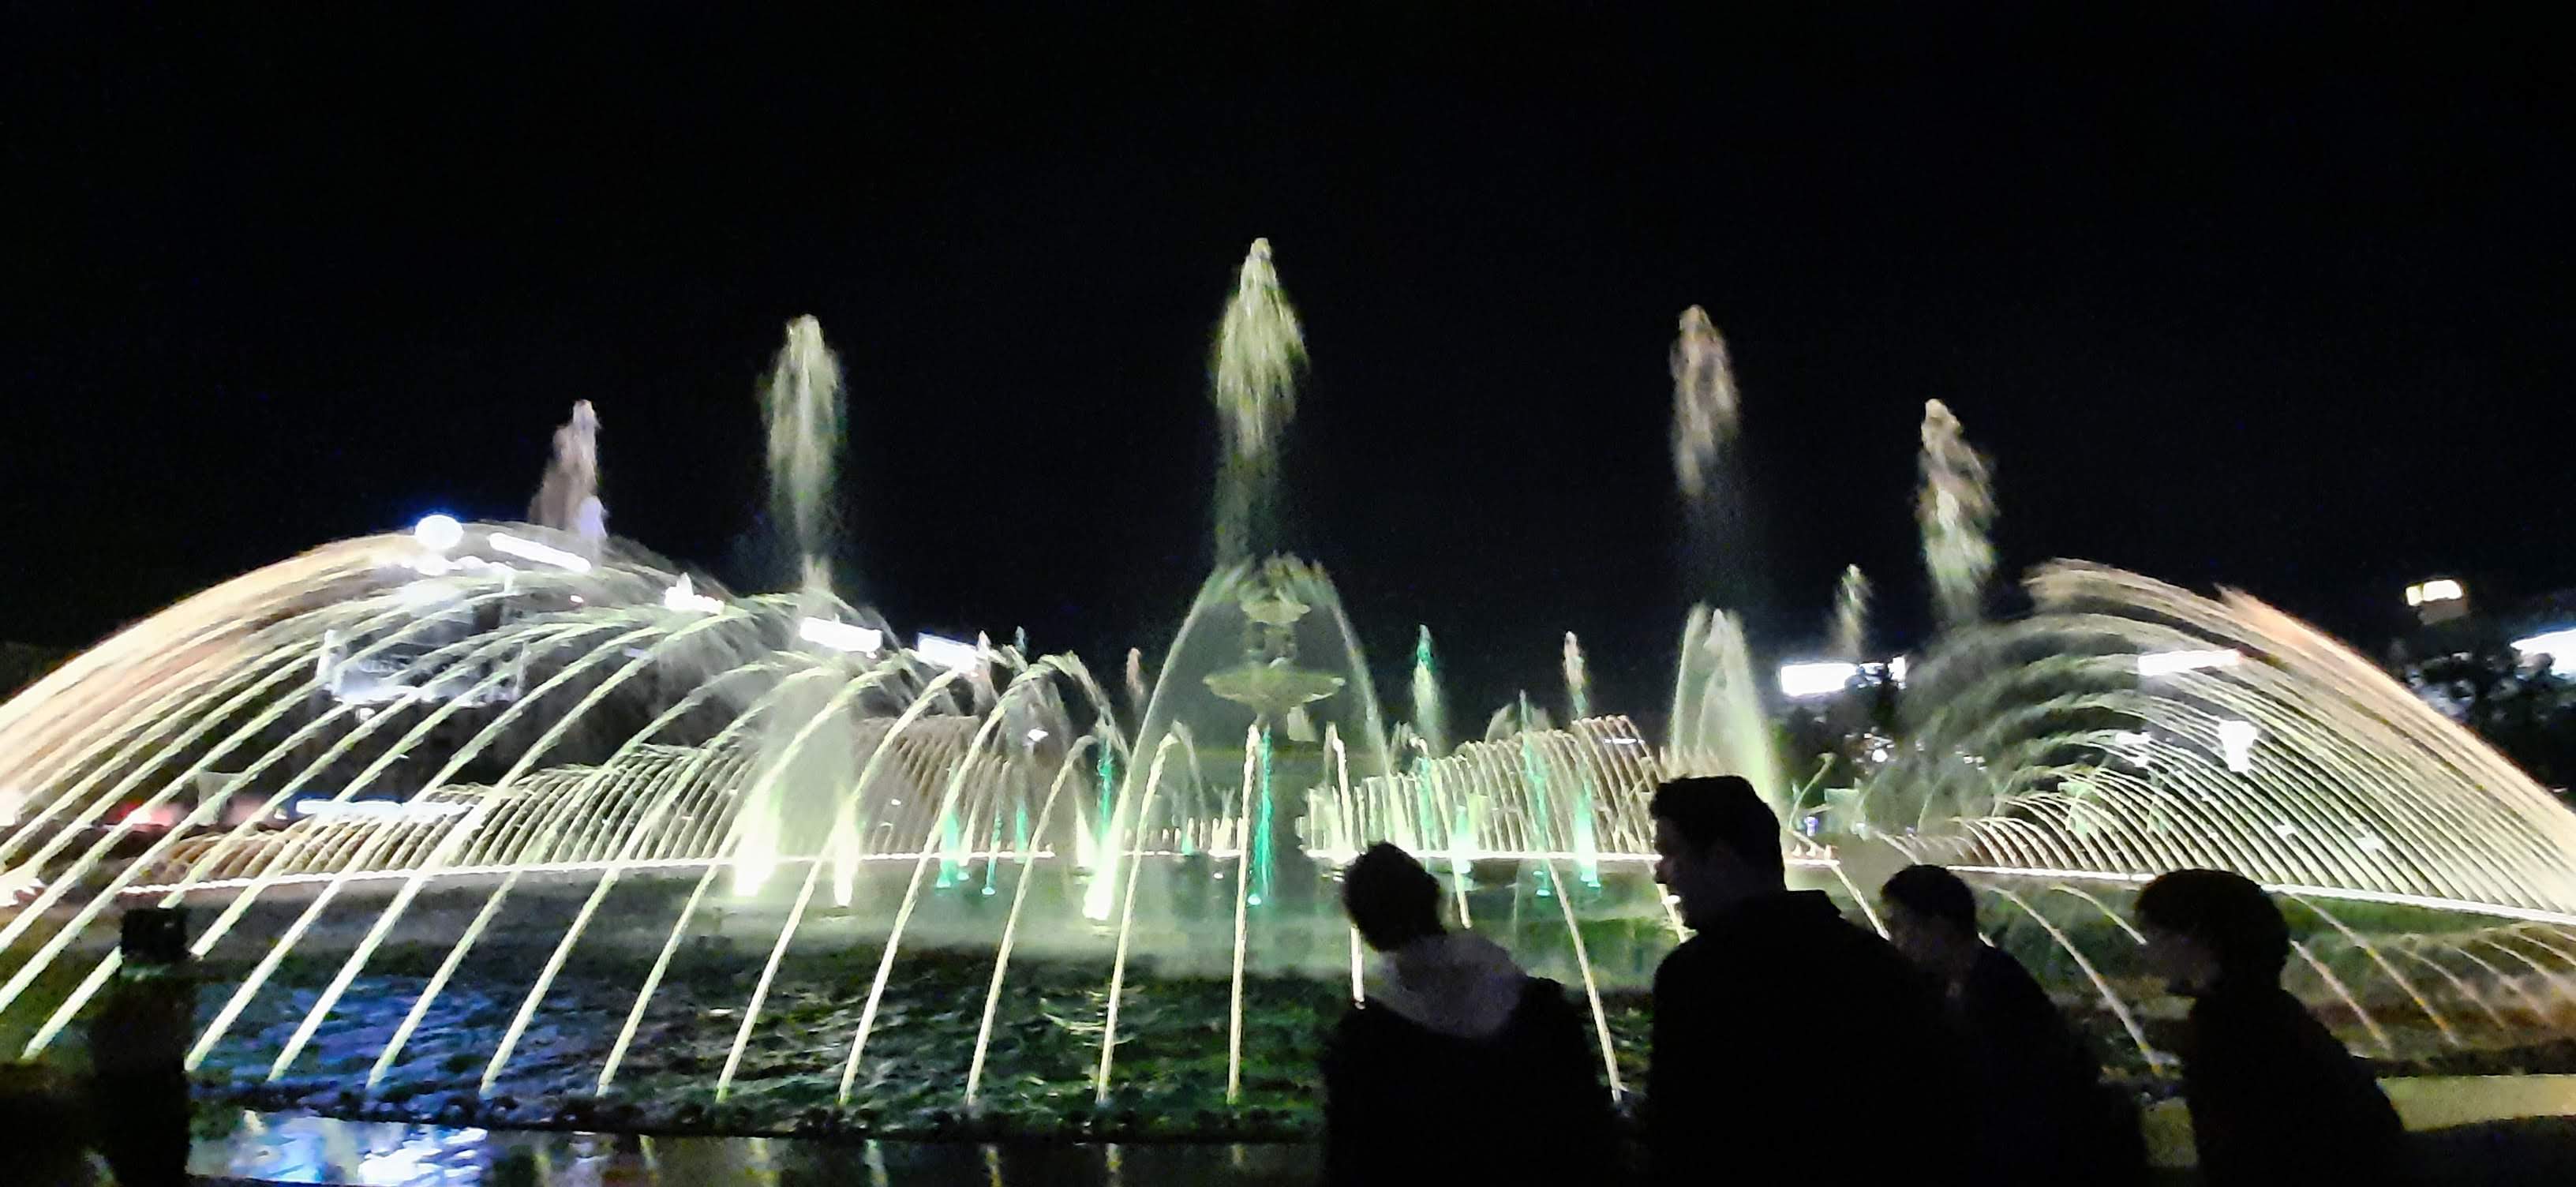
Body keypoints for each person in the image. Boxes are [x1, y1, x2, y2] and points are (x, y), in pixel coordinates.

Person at [1647, 776, 1969, 1185]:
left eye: (1670, 853)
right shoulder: (1878, 964)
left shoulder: (1694, 978)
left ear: (1722, 859)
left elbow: (1679, 1140)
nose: (1659, 874)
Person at [1320, 842, 1613, 1185]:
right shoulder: (1541, 1009)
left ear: (1367, 931)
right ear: (1435, 898)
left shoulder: (1367, 1043)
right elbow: (1588, 1131)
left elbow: (1352, 1159)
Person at [2135, 869, 2406, 1185]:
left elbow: (2241, 1149)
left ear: (2194, 938)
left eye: (2154, 935)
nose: (2146, 951)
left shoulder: (2230, 1027)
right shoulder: (2272, 1012)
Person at [1881, 863, 2146, 1185]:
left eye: (1899, 927)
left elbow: (2004, 1086)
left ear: (1938, 927)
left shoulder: (1998, 985)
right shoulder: (1948, 981)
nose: (1894, 940)